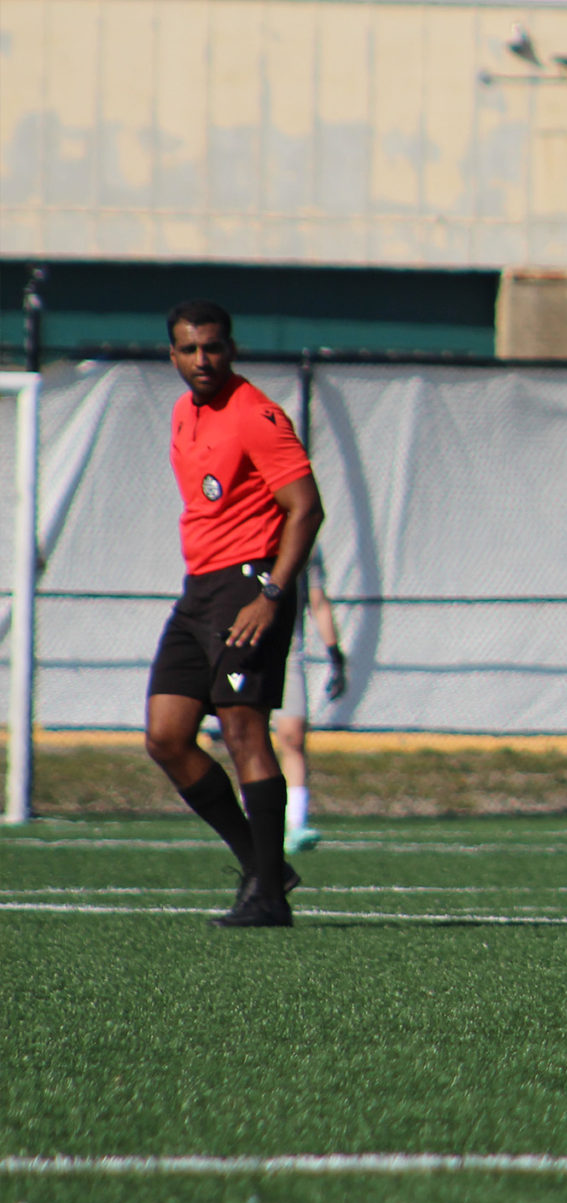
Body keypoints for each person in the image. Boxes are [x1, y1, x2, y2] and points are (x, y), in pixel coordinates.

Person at [142, 302, 326, 927]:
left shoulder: (257, 415)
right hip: (199, 591)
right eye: (190, 350)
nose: (202, 360)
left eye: (213, 348)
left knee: (245, 730)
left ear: (232, 349)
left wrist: (271, 593)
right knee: (166, 737)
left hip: (249, 585)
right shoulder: (182, 412)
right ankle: (262, 862)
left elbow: (306, 508)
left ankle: (269, 896)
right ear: (172, 355)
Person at [275, 568, 347, 854]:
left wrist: (336, 656)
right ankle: (252, 818)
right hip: (241, 644)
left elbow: (317, 600)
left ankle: (296, 824)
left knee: (292, 736)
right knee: (243, 735)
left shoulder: (303, 535)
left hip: (286, 649)